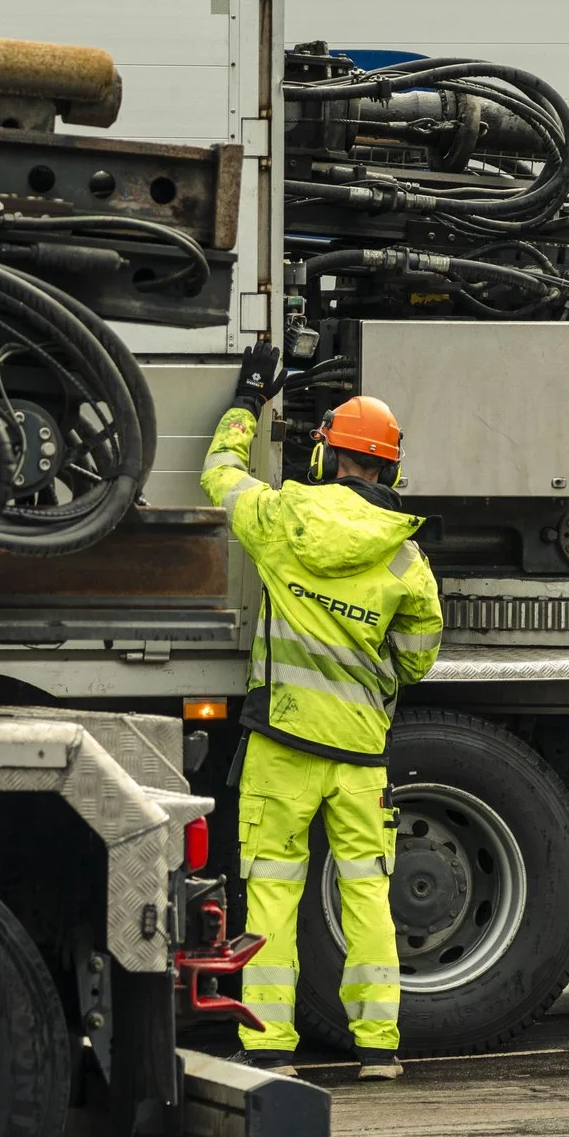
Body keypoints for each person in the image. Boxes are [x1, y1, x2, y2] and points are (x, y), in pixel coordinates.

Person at [202, 341, 442, 1082]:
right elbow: (418, 656)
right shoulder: (406, 559)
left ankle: (271, 1050)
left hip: (282, 743)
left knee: (273, 892)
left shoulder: (283, 519)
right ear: (390, 471)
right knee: (367, 892)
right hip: (361, 754)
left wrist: (247, 402)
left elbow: (219, 477)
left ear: (324, 458)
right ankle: (379, 1049)